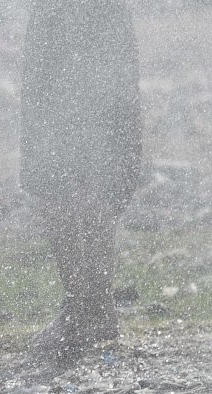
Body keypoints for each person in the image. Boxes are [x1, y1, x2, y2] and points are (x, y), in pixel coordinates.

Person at [20, 1, 142, 356]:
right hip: (86, 27)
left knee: (74, 179)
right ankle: (90, 306)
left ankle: (84, 307)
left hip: (77, 27)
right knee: (73, 177)